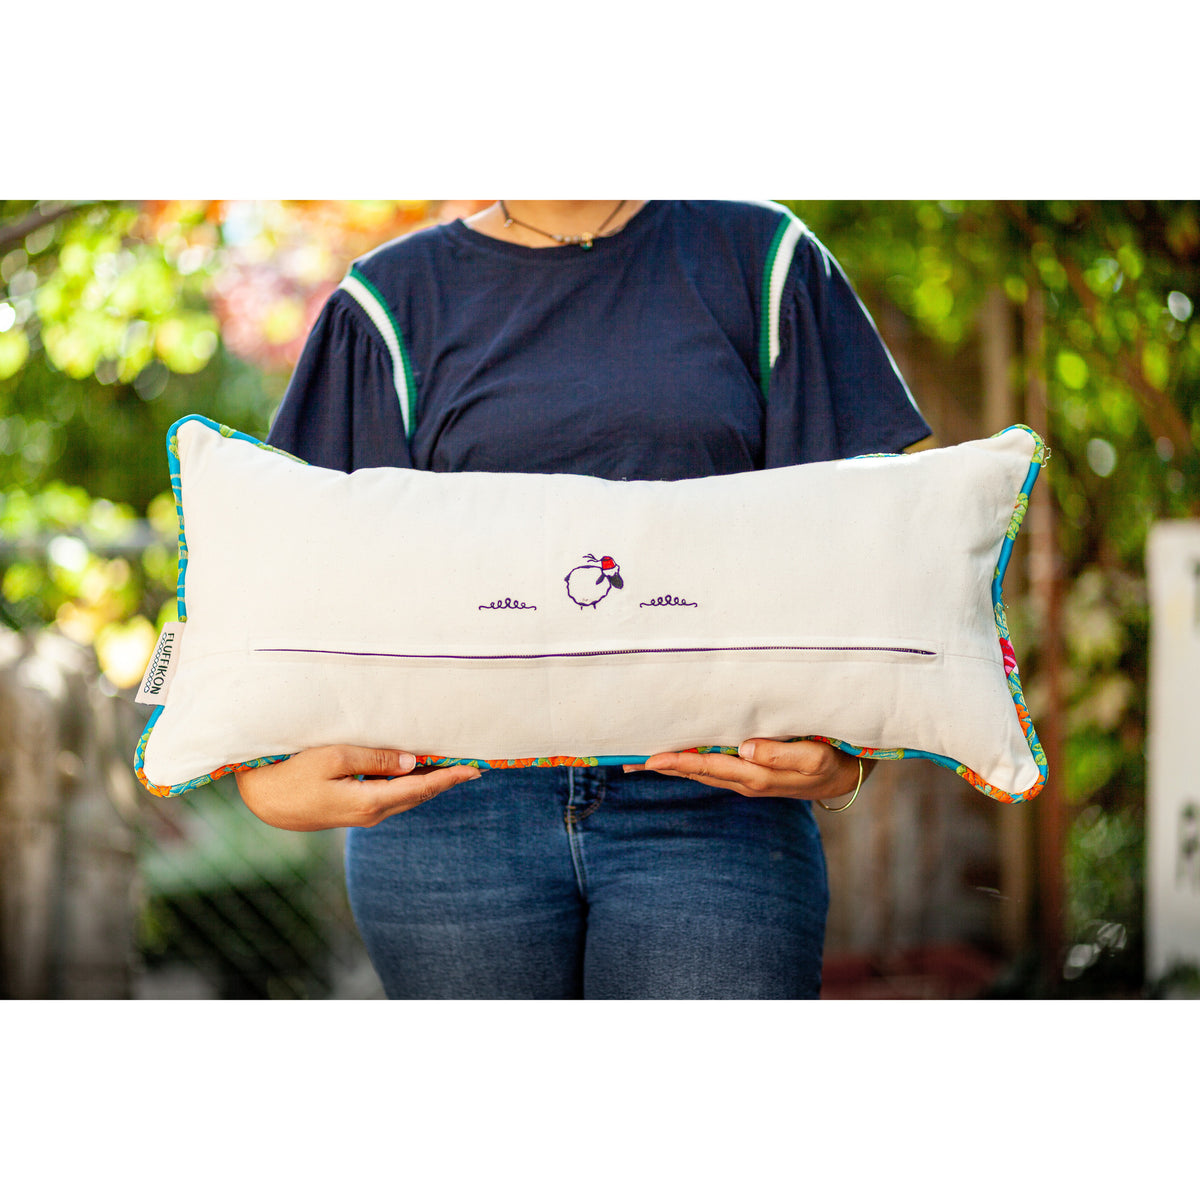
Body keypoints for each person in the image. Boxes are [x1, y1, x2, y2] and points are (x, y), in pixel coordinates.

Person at [236, 200, 931, 999]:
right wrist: (257, 778)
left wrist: (853, 761)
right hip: (449, 817)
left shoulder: (764, 262)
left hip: (712, 808)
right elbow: (297, 573)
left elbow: (866, 541)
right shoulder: (386, 302)